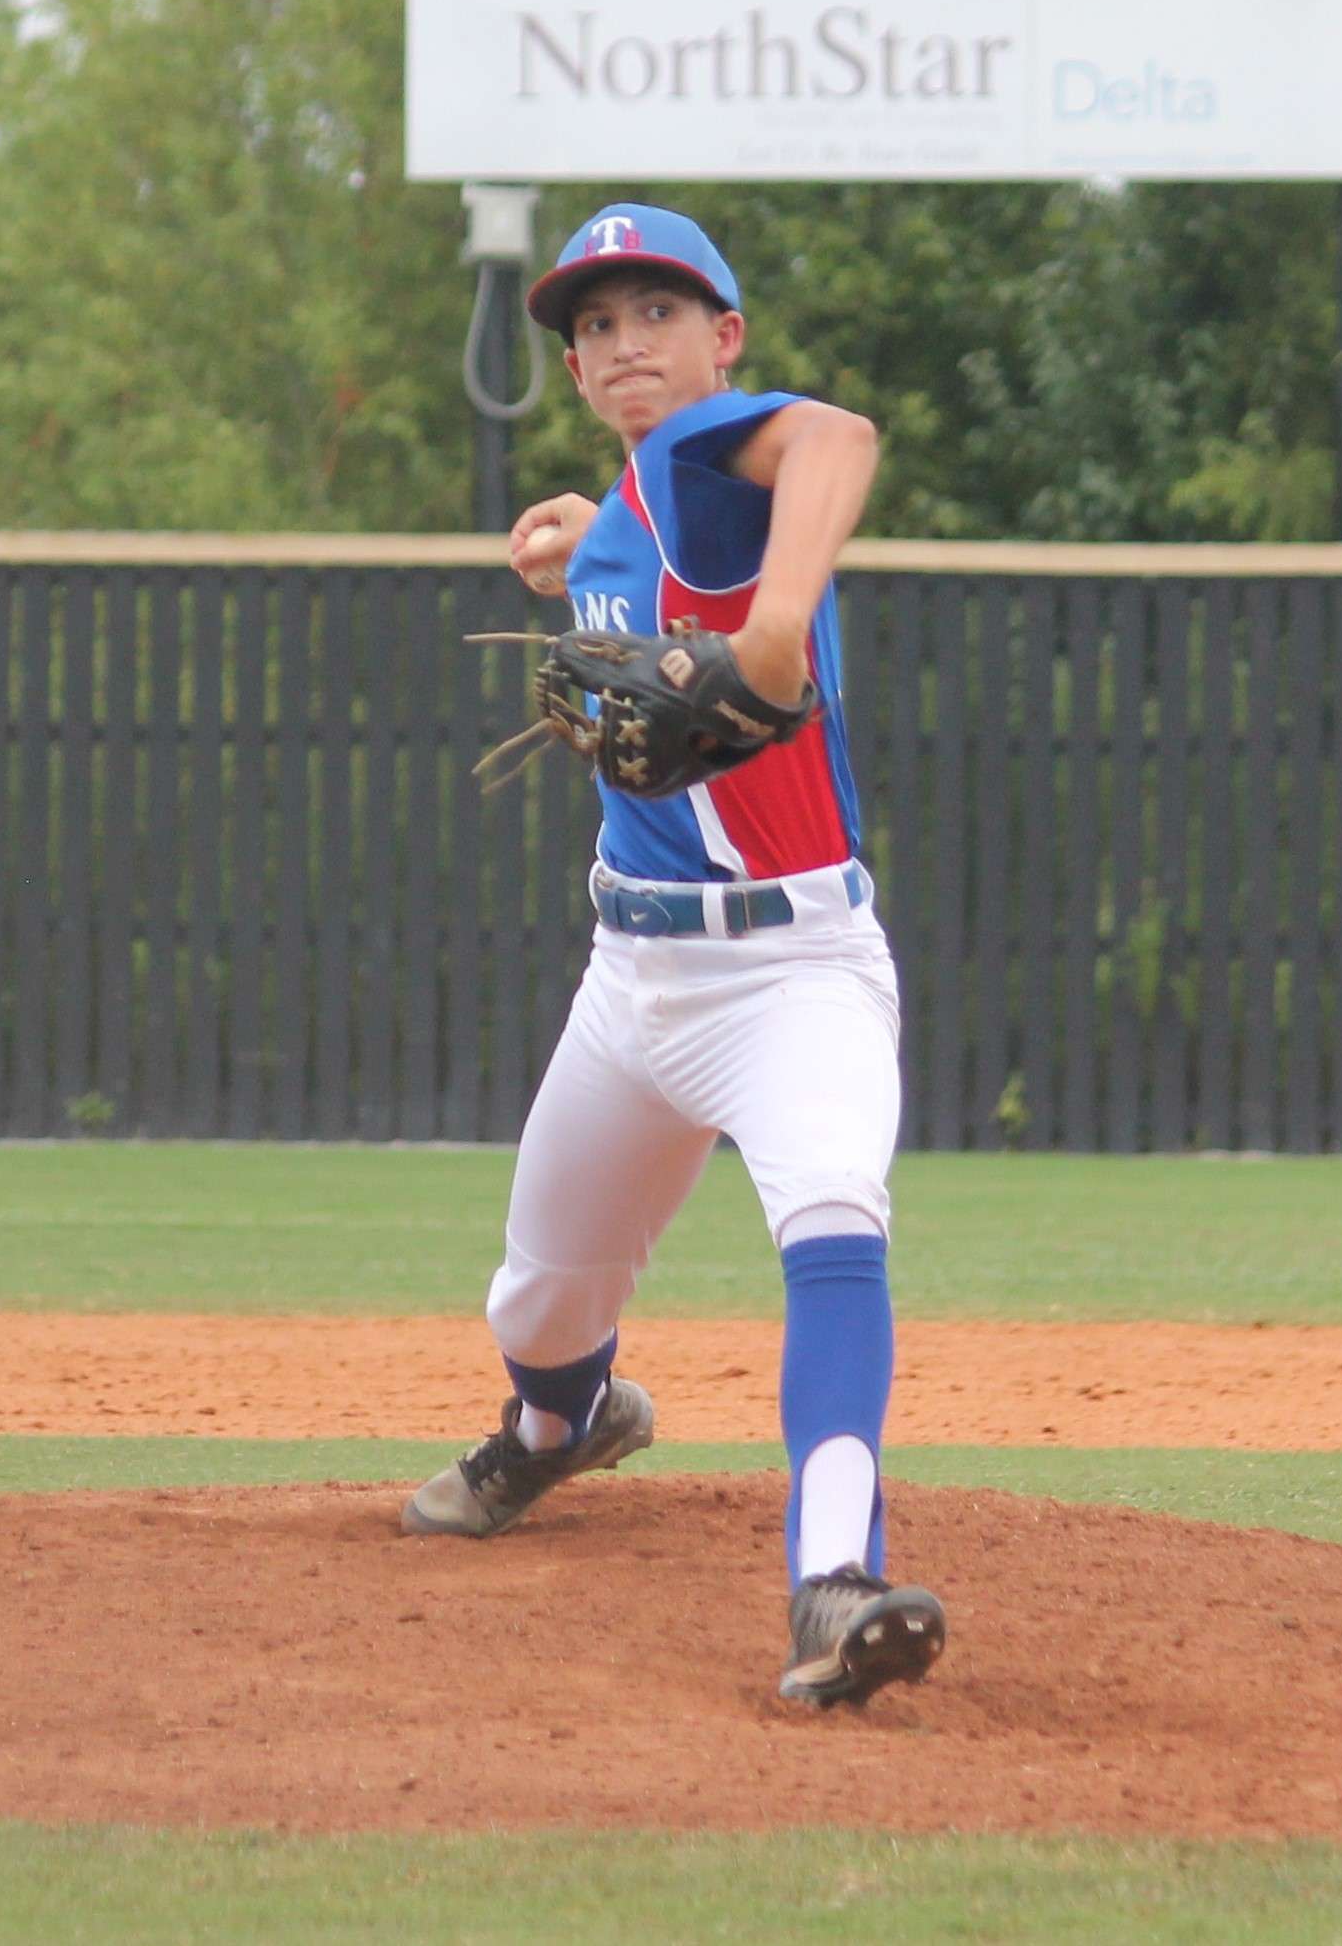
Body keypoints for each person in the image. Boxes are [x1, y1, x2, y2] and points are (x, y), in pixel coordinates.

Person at [401, 202, 946, 1708]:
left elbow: (836, 441)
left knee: (832, 1220)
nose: (624, 342)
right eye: (595, 325)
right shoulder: (641, 506)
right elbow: (658, 561)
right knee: (537, 1306)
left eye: (658, 312)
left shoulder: (714, 454)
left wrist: (773, 632)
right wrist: (587, 547)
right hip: (632, 984)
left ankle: (835, 1586)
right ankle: (557, 1429)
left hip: (795, 975)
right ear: (574, 368)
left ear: (726, 340)